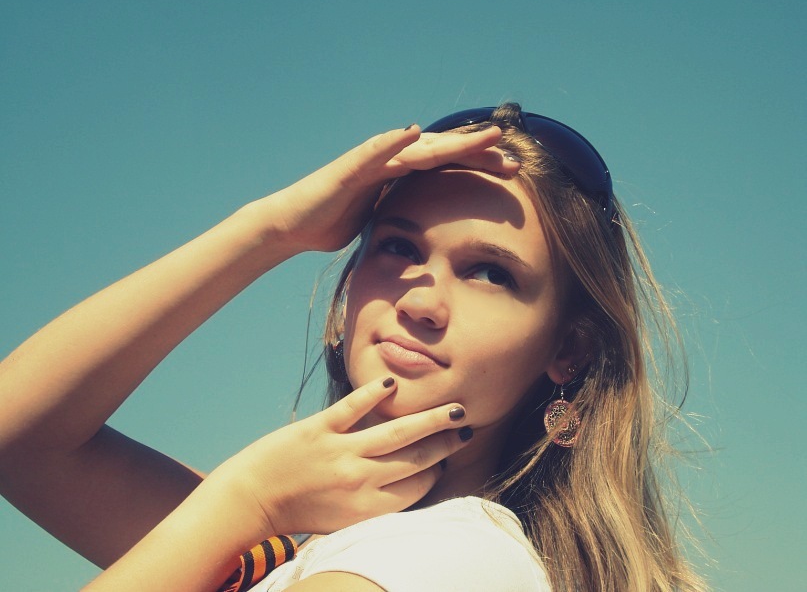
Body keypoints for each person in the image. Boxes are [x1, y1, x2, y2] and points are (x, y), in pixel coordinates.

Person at [0, 103, 705, 591]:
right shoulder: (298, 547)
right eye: (398, 247)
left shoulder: (454, 558)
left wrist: (247, 500)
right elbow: (18, 438)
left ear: (569, 350)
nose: (421, 300)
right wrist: (271, 228)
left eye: (490, 273)